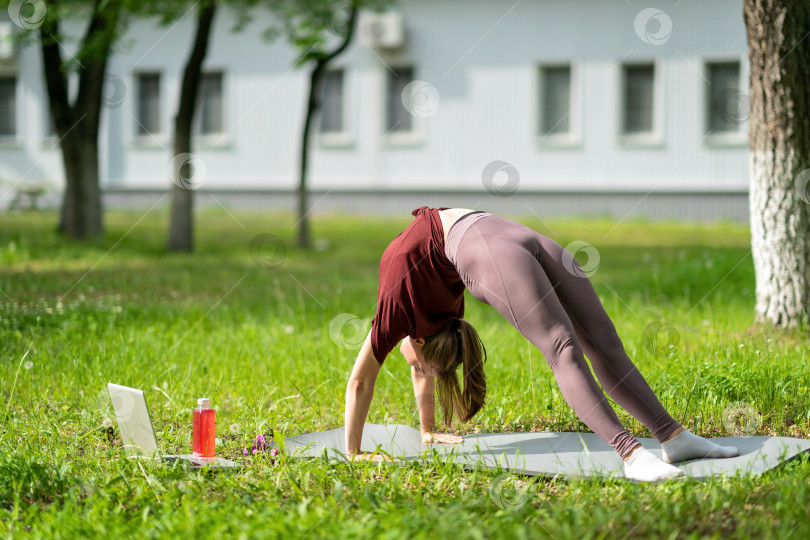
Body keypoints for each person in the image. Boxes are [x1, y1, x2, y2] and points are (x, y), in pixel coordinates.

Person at [344, 207, 738, 481]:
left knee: (571, 345)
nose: (413, 371)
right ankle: (663, 440)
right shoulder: (434, 320)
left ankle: (650, 447)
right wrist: (427, 430)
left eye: (416, 367)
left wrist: (354, 454)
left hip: (492, 248)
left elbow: (360, 381)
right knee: (593, 341)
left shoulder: (397, 308)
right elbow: (424, 370)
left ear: (419, 340)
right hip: (510, 232)